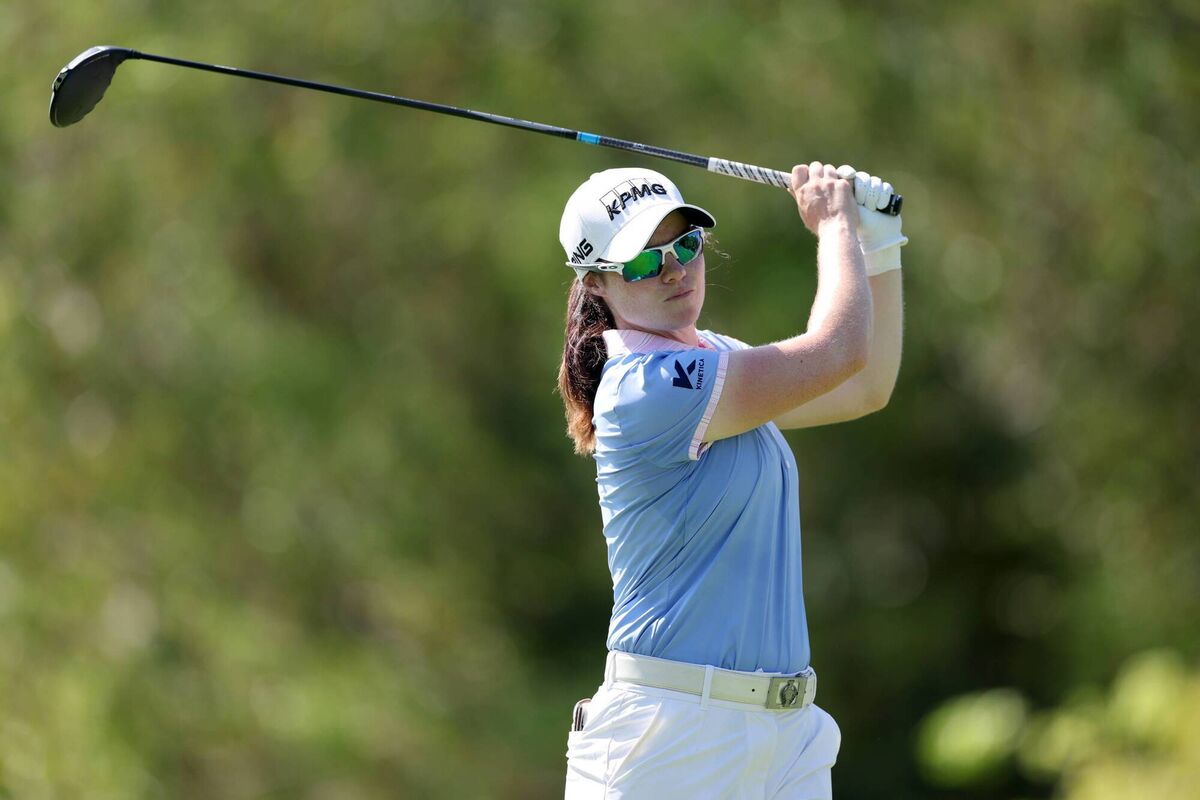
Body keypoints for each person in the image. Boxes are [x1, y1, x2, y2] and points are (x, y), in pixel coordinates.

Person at [556, 162, 907, 799]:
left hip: (787, 734)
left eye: (685, 245)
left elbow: (863, 386)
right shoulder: (644, 390)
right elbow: (838, 350)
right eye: (642, 261)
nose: (674, 270)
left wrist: (879, 241)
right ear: (598, 283)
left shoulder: (713, 356)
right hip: (671, 737)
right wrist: (834, 227)